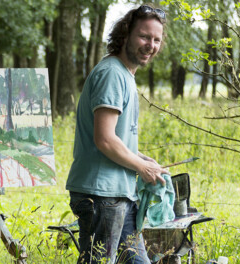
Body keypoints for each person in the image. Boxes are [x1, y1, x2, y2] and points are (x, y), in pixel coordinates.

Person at [66, 4, 168, 264]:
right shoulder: (112, 73)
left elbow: (116, 139)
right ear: (125, 35)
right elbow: (105, 139)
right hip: (102, 196)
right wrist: (142, 169)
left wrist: (144, 161)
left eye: (156, 40)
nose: (151, 45)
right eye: (144, 36)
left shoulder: (124, 75)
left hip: (118, 194)